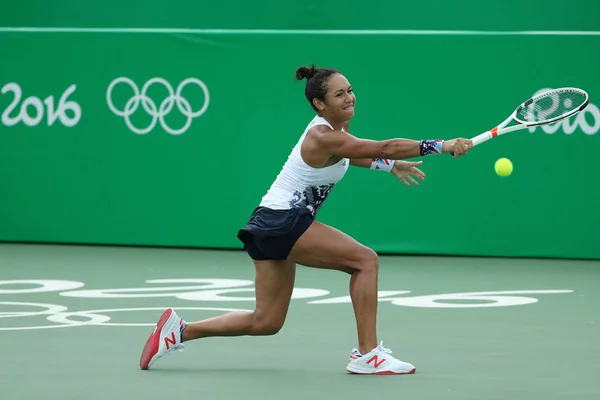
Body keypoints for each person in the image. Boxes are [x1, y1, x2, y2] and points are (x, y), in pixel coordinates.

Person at [138, 64, 473, 374]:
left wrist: (387, 166)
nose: (349, 97)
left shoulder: (335, 133)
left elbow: (353, 155)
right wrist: (442, 145)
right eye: (339, 94)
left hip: (269, 222)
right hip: (284, 220)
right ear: (319, 104)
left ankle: (179, 331)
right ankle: (368, 354)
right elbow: (384, 146)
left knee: (266, 321)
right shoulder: (323, 135)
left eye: (350, 90)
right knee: (365, 261)